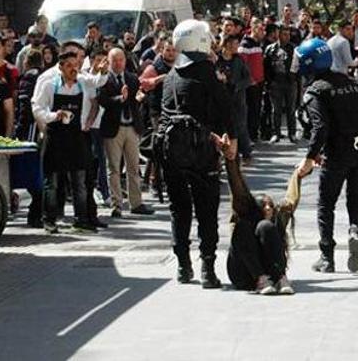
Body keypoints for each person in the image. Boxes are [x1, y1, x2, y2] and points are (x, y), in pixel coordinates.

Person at [159, 19, 236, 288]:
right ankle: (207, 269)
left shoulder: (170, 75)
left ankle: (183, 266)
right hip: (202, 152)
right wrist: (232, 139)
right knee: (206, 210)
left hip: (172, 154)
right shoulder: (206, 71)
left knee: (178, 210)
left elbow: (163, 115)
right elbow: (227, 108)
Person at [295, 38, 358, 274]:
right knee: (357, 201)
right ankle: (355, 230)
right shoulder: (351, 83)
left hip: (337, 153)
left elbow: (320, 127)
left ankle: (327, 257)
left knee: (326, 204)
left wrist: (310, 157)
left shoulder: (315, 92)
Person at [32, 51, 108, 233]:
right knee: (52, 182)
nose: (74, 69)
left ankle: (81, 219)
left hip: (77, 137)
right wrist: (53, 116)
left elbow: (98, 82)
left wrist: (103, 72)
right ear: (61, 67)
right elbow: (37, 108)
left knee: (80, 182)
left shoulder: (82, 82)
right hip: (55, 137)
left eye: (76, 65)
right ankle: (49, 220)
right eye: (69, 66)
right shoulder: (50, 85)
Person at [224, 155, 299, 295]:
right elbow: (237, 188)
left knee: (266, 226)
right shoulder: (246, 214)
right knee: (243, 226)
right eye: (264, 205)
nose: (268, 208)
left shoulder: (276, 220)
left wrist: (298, 174)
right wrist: (230, 161)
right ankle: (260, 279)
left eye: (270, 205)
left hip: (270, 275)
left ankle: (280, 279)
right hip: (243, 275)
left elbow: (291, 199)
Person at [98, 48, 155, 219]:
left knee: (133, 167)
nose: (118, 63)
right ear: (109, 61)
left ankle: (136, 203)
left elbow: (138, 95)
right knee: (114, 168)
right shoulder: (103, 79)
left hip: (131, 127)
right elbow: (103, 100)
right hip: (113, 128)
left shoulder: (131, 78)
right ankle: (117, 204)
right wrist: (119, 99)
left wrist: (139, 97)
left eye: (121, 59)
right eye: (114, 60)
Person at [15, 49, 44, 227]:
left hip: (31, 128)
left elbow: (25, 106)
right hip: (43, 125)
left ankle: (36, 213)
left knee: (32, 170)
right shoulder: (44, 76)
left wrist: (20, 128)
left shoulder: (27, 79)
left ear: (26, 62)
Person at [216, 35, 253, 162]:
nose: (237, 47)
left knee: (240, 126)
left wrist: (236, 85)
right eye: (235, 44)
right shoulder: (217, 60)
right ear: (227, 44)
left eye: (237, 44)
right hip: (221, 99)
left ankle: (246, 153)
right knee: (223, 127)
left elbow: (248, 79)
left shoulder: (239, 60)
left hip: (238, 99)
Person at [264, 25, 298, 143]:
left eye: (288, 34)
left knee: (291, 109)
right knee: (276, 110)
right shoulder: (270, 49)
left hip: (290, 82)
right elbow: (266, 66)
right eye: (284, 34)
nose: (287, 37)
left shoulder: (294, 48)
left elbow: (298, 66)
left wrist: (295, 79)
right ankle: (276, 133)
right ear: (279, 35)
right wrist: (269, 82)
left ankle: (292, 133)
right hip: (276, 81)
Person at [239, 18, 266, 142]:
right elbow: (242, 65)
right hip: (251, 84)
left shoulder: (258, 44)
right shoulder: (245, 44)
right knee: (250, 110)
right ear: (254, 28)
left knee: (256, 109)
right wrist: (250, 79)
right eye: (260, 29)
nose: (263, 32)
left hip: (259, 82)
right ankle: (249, 136)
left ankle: (254, 134)